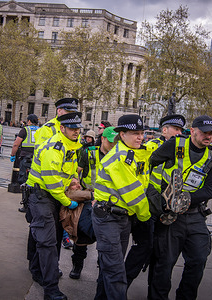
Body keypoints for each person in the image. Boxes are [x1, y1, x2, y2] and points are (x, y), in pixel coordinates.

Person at [148, 115, 212, 300]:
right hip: (171, 216)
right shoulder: (175, 144)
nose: (209, 136)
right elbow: (150, 164)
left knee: (198, 260)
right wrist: (156, 197)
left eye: (211, 133)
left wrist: (184, 199)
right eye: (205, 133)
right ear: (194, 131)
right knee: (165, 263)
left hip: (195, 215)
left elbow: (210, 189)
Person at [92, 114, 151, 299]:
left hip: (122, 218)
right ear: (122, 134)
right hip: (108, 218)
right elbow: (134, 194)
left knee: (109, 269)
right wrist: (146, 218)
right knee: (116, 273)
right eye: (135, 133)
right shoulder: (119, 158)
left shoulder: (133, 153)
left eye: (142, 133)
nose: (140, 137)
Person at [25, 112, 83, 300]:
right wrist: (68, 202)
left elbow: (70, 171)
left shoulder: (71, 146)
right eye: (72, 128)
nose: (76, 131)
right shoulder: (54, 147)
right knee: (48, 242)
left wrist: (74, 180)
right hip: (42, 196)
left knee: (50, 239)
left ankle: (38, 271)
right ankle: (51, 290)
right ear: (62, 128)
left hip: (51, 197)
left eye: (78, 128)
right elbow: (52, 183)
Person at [125, 114, 186, 288]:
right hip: (149, 207)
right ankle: (121, 286)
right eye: (176, 129)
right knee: (143, 248)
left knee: (160, 254)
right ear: (164, 130)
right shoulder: (151, 147)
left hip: (166, 210)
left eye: (181, 130)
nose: (179, 133)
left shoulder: (181, 151)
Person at [69, 126, 117, 280]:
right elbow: (77, 170)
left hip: (109, 201)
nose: (113, 145)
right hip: (89, 198)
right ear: (102, 139)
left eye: (116, 142)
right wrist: (75, 185)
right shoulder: (89, 152)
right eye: (111, 142)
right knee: (82, 232)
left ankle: (102, 269)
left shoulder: (119, 155)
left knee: (105, 238)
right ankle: (77, 265)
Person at [10, 114, 39, 212]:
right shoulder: (41, 130)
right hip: (37, 159)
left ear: (29, 121)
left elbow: (16, 144)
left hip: (26, 159)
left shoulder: (25, 130)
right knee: (34, 182)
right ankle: (33, 204)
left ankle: (26, 205)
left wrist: (13, 154)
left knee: (24, 181)